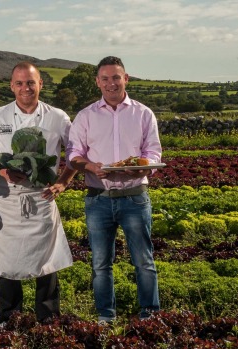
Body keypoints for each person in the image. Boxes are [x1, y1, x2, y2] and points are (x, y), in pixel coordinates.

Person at [0, 61, 77, 326]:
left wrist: (63, 181)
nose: (25, 88)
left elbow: (76, 154)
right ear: (11, 86)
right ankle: (8, 317)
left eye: (31, 82)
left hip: (43, 197)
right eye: (19, 83)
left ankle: (48, 318)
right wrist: (4, 173)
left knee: (47, 258)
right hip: (8, 197)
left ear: (41, 84)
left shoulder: (58, 117)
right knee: (7, 257)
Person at [66, 56, 161, 323]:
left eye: (116, 77)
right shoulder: (85, 116)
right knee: (100, 264)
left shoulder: (143, 113)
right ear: (97, 82)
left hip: (134, 197)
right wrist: (88, 166)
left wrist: (143, 167)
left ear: (126, 78)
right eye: (105, 78)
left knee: (144, 261)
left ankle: (150, 316)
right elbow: (73, 152)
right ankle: (105, 317)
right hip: (99, 198)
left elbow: (153, 151)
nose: (111, 83)